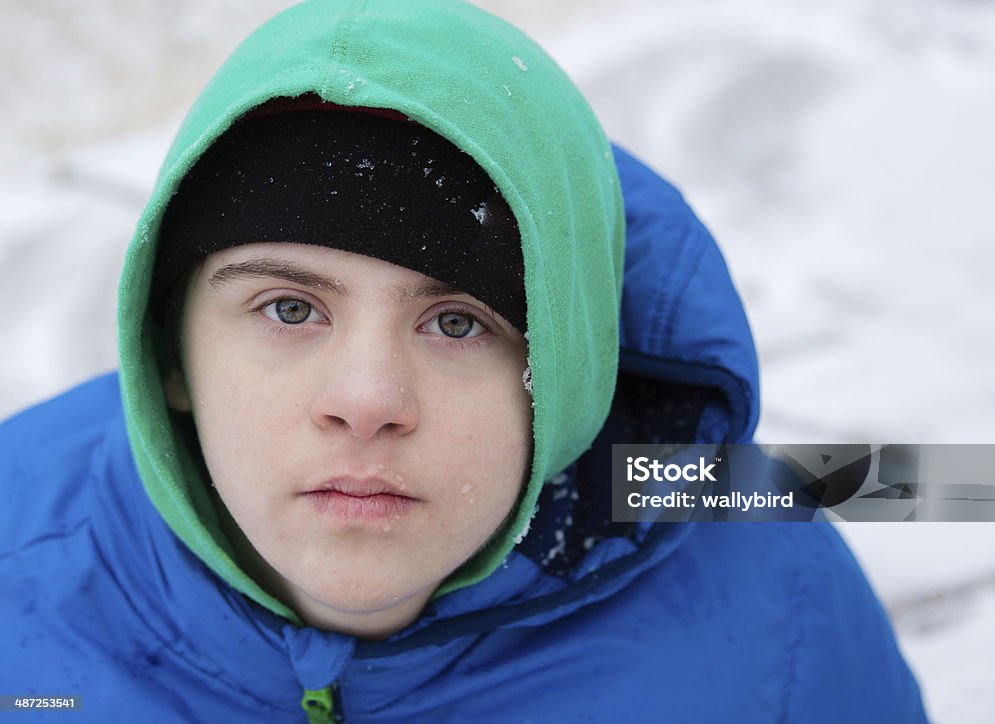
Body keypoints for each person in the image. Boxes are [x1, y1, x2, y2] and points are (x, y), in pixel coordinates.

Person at [0, 0, 928, 721]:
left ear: (566, 374)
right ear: (170, 353)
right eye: (289, 308)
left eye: (457, 323)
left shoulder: (775, 589)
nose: (366, 402)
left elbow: (920, 486)